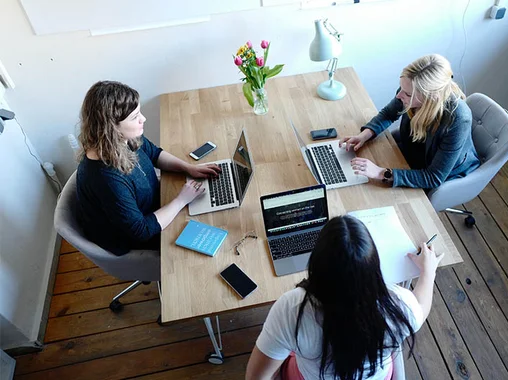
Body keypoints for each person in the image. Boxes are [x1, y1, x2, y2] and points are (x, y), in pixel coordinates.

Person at [246, 215, 444, 380]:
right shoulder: (398, 305)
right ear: (373, 265)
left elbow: (256, 377)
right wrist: (428, 272)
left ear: (317, 263)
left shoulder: (291, 309)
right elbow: (421, 306)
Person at [76, 81, 220, 255]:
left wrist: (188, 168)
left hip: (155, 206)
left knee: (211, 208)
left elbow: (154, 154)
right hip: (135, 237)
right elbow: (141, 231)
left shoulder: (121, 139)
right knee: (214, 226)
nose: (143, 119)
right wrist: (181, 200)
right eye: (134, 117)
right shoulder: (106, 179)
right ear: (111, 127)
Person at [342, 54, 480, 189]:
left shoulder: (458, 119)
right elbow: (389, 114)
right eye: (401, 88)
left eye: (407, 94)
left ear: (431, 97)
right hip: (413, 149)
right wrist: (364, 135)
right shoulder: (409, 89)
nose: (399, 95)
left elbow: (434, 177)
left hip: (440, 171)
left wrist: (380, 172)